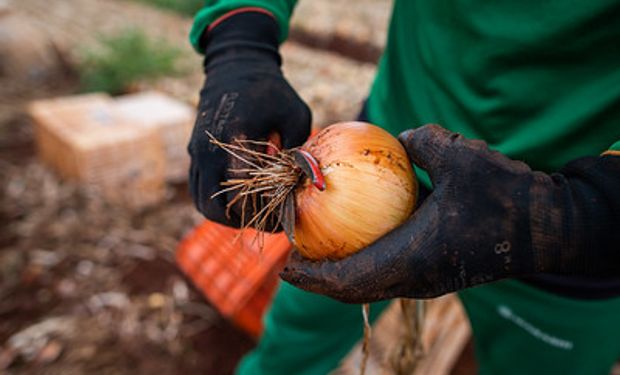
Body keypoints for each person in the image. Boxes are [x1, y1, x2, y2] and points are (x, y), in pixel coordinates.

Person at [187, 1, 620, 374]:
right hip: (386, 147)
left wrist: (584, 212)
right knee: (293, 341)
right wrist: (240, 39)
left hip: (571, 215)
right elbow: (240, 29)